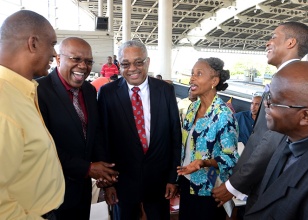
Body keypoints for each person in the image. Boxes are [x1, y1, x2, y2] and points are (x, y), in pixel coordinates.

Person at [212, 21, 308, 213]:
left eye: (274, 37)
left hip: (270, 181)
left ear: (291, 43)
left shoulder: (289, 82)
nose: (267, 42)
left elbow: (271, 139)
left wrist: (233, 185)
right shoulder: (288, 78)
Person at [98, 40, 182, 220]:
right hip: (123, 183)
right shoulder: (107, 93)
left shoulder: (165, 90)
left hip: (159, 182)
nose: (132, 68)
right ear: (118, 65)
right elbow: (103, 140)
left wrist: (172, 177)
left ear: (148, 62)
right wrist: (108, 184)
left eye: (138, 62)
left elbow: (175, 136)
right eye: (125, 64)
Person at [37, 37, 119, 220]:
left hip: (81, 195)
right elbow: (43, 148)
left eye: (88, 61)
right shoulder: (39, 91)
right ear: (58, 59)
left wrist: (106, 180)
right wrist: (87, 168)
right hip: (51, 196)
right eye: (76, 59)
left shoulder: (89, 91)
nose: (83, 66)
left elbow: (95, 135)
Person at [0, 10, 65, 219]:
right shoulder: (4, 104)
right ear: (33, 43)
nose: (55, 55)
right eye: (52, 44)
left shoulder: (21, 91)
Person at [246, 61, 308, 219]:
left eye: (274, 101)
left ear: (305, 117)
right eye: (268, 96)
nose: (266, 105)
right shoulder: (289, 139)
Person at [176, 57, 239, 220]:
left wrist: (204, 163)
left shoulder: (223, 115)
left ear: (214, 81)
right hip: (186, 181)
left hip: (208, 186)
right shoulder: (192, 108)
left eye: (199, 73)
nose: (192, 78)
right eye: (192, 73)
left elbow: (231, 158)